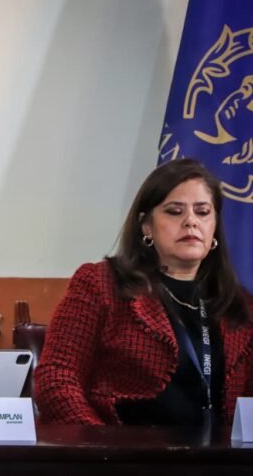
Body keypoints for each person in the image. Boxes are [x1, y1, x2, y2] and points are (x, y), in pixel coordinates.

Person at [33, 159, 253, 426]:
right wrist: (99, 442)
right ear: (146, 225)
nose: (191, 222)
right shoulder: (101, 284)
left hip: (219, 452)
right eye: (174, 211)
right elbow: (56, 377)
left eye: (203, 212)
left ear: (215, 225)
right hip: (122, 449)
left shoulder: (240, 305)